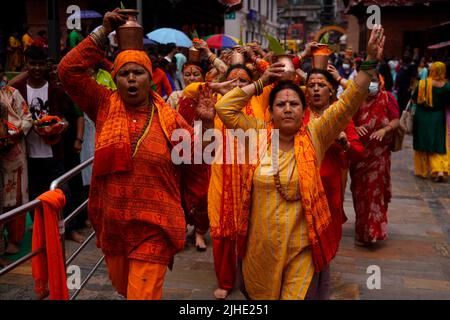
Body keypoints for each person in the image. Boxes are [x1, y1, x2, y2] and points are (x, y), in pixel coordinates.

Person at [214, 25, 384, 300]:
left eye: (294, 103)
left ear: (304, 111)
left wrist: (369, 63)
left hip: (301, 248)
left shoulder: (316, 134)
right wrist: (261, 82)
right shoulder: (257, 134)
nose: (288, 108)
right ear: (270, 112)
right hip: (261, 249)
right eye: (281, 104)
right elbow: (224, 108)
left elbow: (349, 103)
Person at [58, 9, 210, 300]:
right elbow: (68, 71)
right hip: (114, 226)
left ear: (149, 78)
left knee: (141, 294)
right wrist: (102, 33)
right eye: (124, 73)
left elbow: (195, 161)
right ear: (115, 79)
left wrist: (206, 124)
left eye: (137, 72)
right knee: (124, 288)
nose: (131, 79)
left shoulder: (170, 118)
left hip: (157, 226)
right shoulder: (103, 104)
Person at [11, 45, 85, 243]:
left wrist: (63, 124)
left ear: (46, 65)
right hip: (29, 153)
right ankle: (41, 231)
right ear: (26, 64)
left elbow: (67, 117)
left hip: (54, 150)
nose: (36, 68)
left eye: (40, 64)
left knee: (63, 192)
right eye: (32, 64)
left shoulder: (55, 90)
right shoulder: (17, 90)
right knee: (35, 195)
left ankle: (69, 228)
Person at [304, 67, 364, 253]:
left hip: (329, 185)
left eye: (321, 85)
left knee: (326, 238)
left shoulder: (340, 116)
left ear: (330, 90)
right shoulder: (298, 113)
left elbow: (358, 152)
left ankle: (322, 276)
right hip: (301, 184)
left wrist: (345, 143)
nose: (315, 89)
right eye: (311, 85)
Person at [350, 71, 400, 246]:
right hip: (358, 156)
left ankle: (374, 232)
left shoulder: (387, 98)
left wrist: (384, 130)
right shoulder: (355, 99)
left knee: (375, 193)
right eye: (368, 80)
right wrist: (354, 129)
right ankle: (362, 230)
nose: (371, 84)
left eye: (374, 80)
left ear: (380, 82)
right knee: (359, 193)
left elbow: (396, 120)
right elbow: (346, 121)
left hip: (379, 156)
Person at [0, 65, 33, 255]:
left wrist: (18, 130)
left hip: (15, 154)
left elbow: (27, 117)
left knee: (17, 198)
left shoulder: (12, 94)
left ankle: (14, 238)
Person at [412, 61, 450, 182]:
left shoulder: (422, 84)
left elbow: (414, 99)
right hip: (438, 117)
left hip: (421, 117)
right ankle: (438, 169)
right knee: (438, 143)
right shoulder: (447, 86)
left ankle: (422, 170)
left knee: (421, 143)